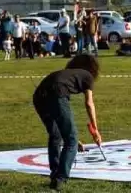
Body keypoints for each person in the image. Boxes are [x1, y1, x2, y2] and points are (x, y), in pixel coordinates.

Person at [33, 54, 103, 190]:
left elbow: (60, 118)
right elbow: (89, 103)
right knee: (71, 140)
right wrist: (95, 130)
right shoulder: (87, 76)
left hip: (39, 96)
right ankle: (60, 178)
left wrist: (72, 137)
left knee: (56, 135)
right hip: (56, 94)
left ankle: (55, 174)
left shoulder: (66, 75)